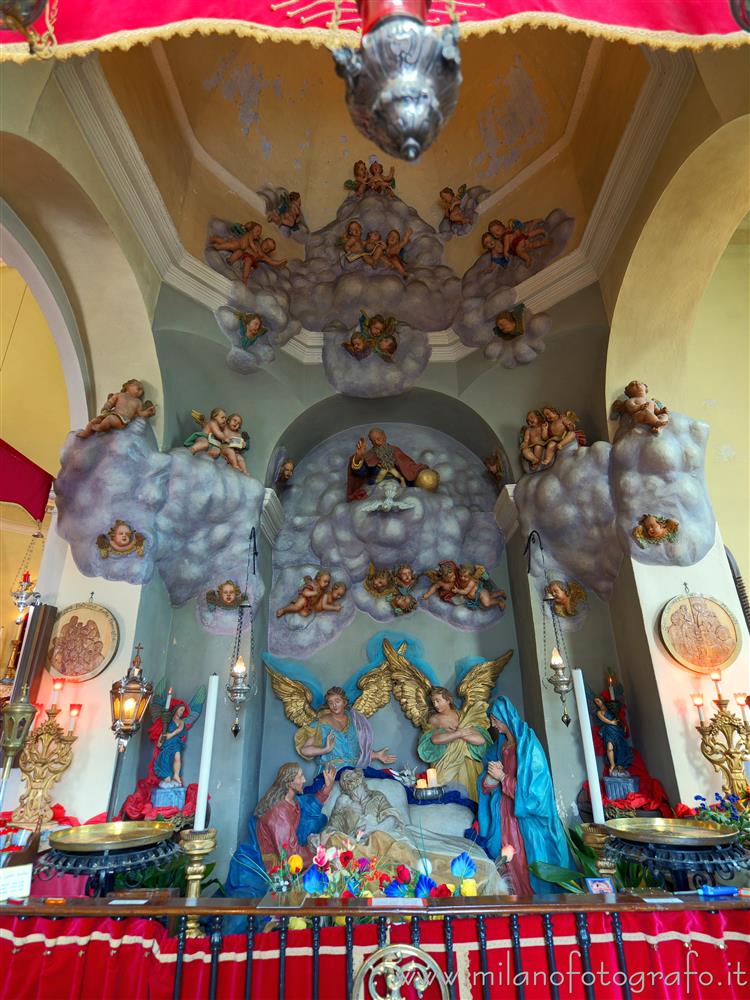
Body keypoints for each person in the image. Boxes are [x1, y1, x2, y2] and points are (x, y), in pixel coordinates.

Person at [478, 696, 571, 894]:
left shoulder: (528, 745)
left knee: (523, 861)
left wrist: (503, 777)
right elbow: (485, 784)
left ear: (506, 717)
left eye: (495, 718)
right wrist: (490, 781)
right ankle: (515, 903)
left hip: (522, 818)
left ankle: (532, 903)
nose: (492, 723)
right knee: (505, 860)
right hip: (503, 813)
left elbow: (534, 794)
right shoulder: (498, 747)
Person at [224, 763, 335, 899]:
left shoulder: (291, 801)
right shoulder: (279, 814)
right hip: (270, 868)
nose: (304, 780)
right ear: (289, 783)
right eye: (300, 777)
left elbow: (308, 806)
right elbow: (291, 856)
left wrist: (327, 788)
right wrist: (318, 849)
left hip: (285, 858)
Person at [296, 685, 395, 773]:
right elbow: (304, 750)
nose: (334, 705)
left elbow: (356, 753)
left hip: (355, 770)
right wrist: (325, 749)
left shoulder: (355, 721)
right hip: (332, 772)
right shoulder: (321, 724)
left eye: (337, 701)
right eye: (330, 703)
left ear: (344, 702)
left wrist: (377, 755)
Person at [417, 687, 491, 801]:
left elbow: (480, 740)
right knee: (449, 791)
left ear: (448, 700)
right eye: (433, 702)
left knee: (469, 791)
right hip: (446, 761)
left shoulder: (463, 716)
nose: (435, 705)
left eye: (438, 700)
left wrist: (458, 734)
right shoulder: (435, 719)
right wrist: (459, 733)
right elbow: (434, 740)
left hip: (467, 760)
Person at [347, 427, 428, 502]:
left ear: (385, 437)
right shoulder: (369, 456)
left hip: (398, 485)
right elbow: (361, 473)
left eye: (379, 438)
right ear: (371, 442)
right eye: (374, 441)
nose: (377, 442)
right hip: (377, 486)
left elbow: (408, 466)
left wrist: (419, 470)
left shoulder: (395, 451)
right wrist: (358, 457)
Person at [77, 379, 156, 438]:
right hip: (112, 413)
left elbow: (139, 413)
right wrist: (105, 408)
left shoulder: (138, 402)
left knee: (110, 419)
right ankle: (86, 432)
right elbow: (110, 402)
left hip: (122, 420)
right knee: (95, 420)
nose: (140, 389)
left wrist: (147, 412)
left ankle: (101, 427)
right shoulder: (120, 395)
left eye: (142, 390)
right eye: (137, 385)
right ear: (127, 386)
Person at [592, 696, 633, 776]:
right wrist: (611, 722)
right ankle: (612, 764)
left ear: (602, 700)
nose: (597, 703)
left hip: (616, 730)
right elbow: (604, 719)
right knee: (609, 748)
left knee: (619, 746)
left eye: (598, 701)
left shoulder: (611, 708)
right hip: (608, 730)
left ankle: (620, 765)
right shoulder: (599, 712)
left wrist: (619, 723)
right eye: (595, 702)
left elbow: (617, 717)